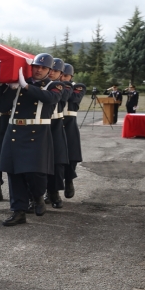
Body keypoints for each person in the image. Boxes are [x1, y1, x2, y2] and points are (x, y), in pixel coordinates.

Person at [0, 53, 62, 226]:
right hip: (15, 130)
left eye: (43, 67)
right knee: (14, 173)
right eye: (36, 66)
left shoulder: (54, 85)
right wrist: (11, 89)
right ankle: (18, 211)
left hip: (37, 131)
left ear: (49, 70)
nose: (39, 70)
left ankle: (38, 196)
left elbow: (49, 99)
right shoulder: (18, 83)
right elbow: (2, 107)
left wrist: (25, 87)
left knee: (36, 172)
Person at [43, 58, 70, 209]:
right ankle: (37, 195)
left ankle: (54, 192)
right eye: (50, 70)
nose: (52, 73)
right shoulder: (38, 84)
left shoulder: (62, 86)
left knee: (57, 161)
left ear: (61, 74)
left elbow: (64, 97)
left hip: (56, 125)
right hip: (40, 126)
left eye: (56, 71)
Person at [61, 64, 86, 199]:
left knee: (71, 155)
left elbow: (73, 98)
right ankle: (52, 189)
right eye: (61, 75)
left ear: (71, 76)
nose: (63, 78)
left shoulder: (78, 86)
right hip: (56, 123)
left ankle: (69, 180)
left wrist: (63, 87)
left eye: (66, 76)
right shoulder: (54, 86)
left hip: (69, 123)